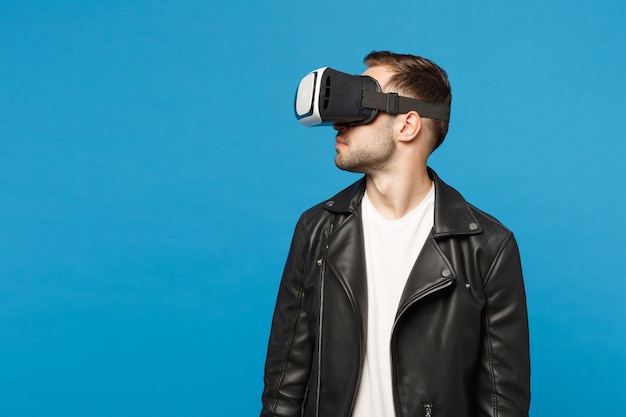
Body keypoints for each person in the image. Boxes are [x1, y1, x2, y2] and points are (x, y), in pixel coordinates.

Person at [260, 51, 530, 417]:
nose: (340, 123)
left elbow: (502, 403)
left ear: (408, 125)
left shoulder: (487, 246)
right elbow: (283, 387)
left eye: (360, 104)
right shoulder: (317, 230)